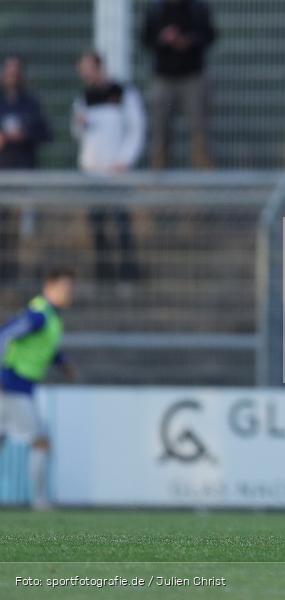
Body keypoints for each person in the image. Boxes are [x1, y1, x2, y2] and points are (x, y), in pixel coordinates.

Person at [0, 268, 76, 510]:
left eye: (70, 288)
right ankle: (40, 502)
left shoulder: (51, 318)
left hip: (17, 387)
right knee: (41, 442)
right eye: (64, 288)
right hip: (12, 386)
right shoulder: (38, 315)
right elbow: (5, 334)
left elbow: (44, 348)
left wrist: (63, 364)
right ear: (49, 287)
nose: (69, 293)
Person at [71, 50, 144, 281]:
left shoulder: (123, 93)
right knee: (97, 226)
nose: (85, 74)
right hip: (92, 173)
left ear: (99, 67)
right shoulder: (83, 98)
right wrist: (80, 124)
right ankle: (103, 274)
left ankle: (128, 273)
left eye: (89, 68)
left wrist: (125, 160)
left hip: (116, 172)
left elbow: (137, 128)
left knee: (122, 224)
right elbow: (78, 133)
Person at [141, 0, 217, 169]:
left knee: (200, 130)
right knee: (161, 131)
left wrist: (190, 40)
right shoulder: (156, 9)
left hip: (193, 78)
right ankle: (159, 178)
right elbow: (145, 39)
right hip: (164, 78)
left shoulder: (198, 8)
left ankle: (205, 180)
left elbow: (210, 35)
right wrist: (163, 39)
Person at [0, 55, 52, 281]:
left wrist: (24, 135)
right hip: (3, 177)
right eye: (8, 71)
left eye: (15, 71)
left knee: (28, 232)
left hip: (26, 176)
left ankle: (28, 278)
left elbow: (46, 133)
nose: (12, 76)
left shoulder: (31, 103)